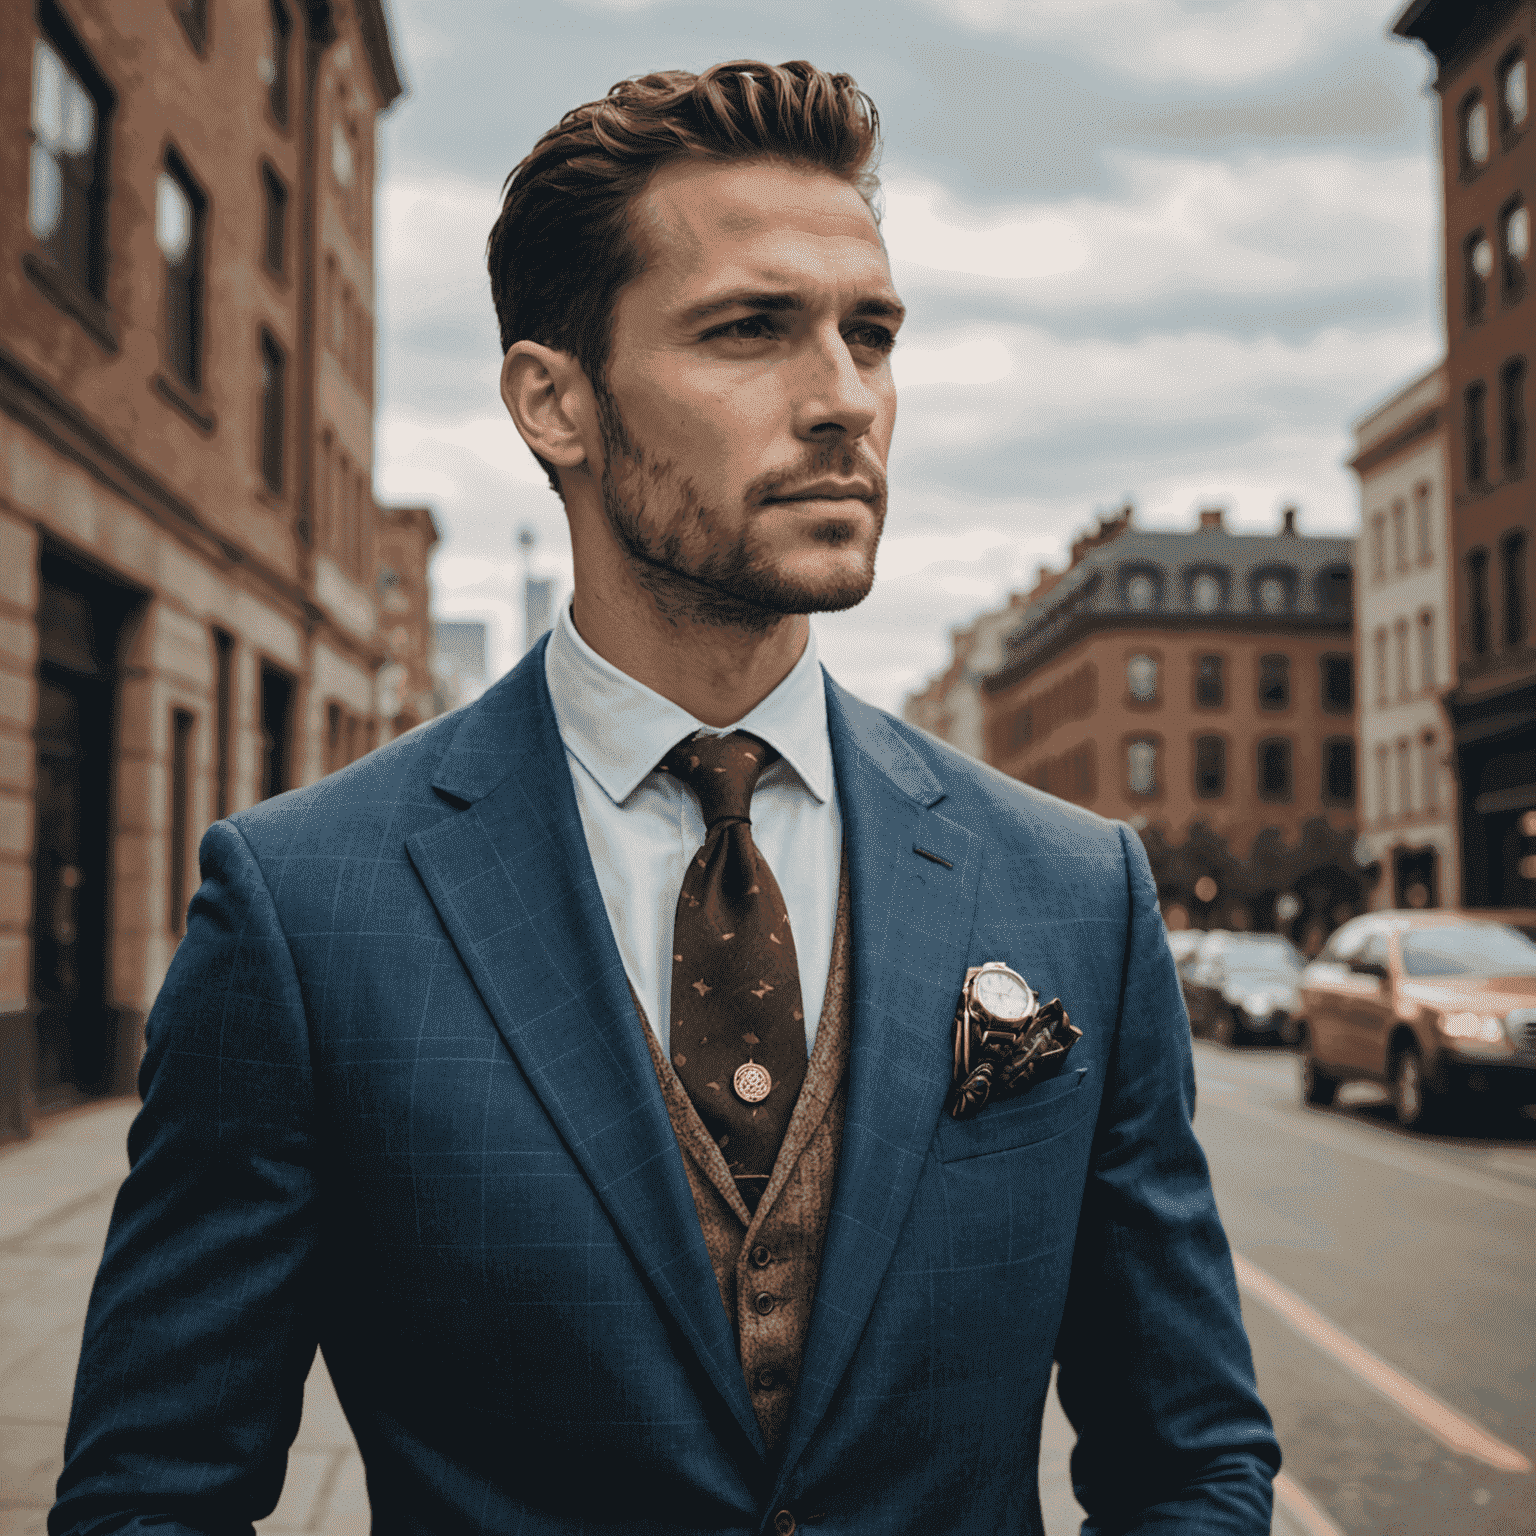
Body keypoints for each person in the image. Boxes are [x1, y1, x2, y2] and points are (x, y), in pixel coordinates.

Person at [52, 60, 1279, 1536]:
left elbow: (1192, 1456)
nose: (844, 401)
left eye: (869, 335)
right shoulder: (306, 908)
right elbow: (152, 1489)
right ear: (553, 402)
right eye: (752, 331)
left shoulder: (1074, 887)